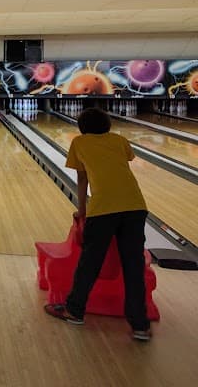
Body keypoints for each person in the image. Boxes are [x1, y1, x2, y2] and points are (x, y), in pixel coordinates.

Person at [44, 107, 151, 341]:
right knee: (134, 266)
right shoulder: (120, 141)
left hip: (103, 209)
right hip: (135, 206)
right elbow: (121, 167)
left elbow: (83, 179)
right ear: (108, 125)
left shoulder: (80, 143)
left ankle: (74, 310)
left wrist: (81, 209)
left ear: (82, 127)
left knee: (90, 262)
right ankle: (140, 325)